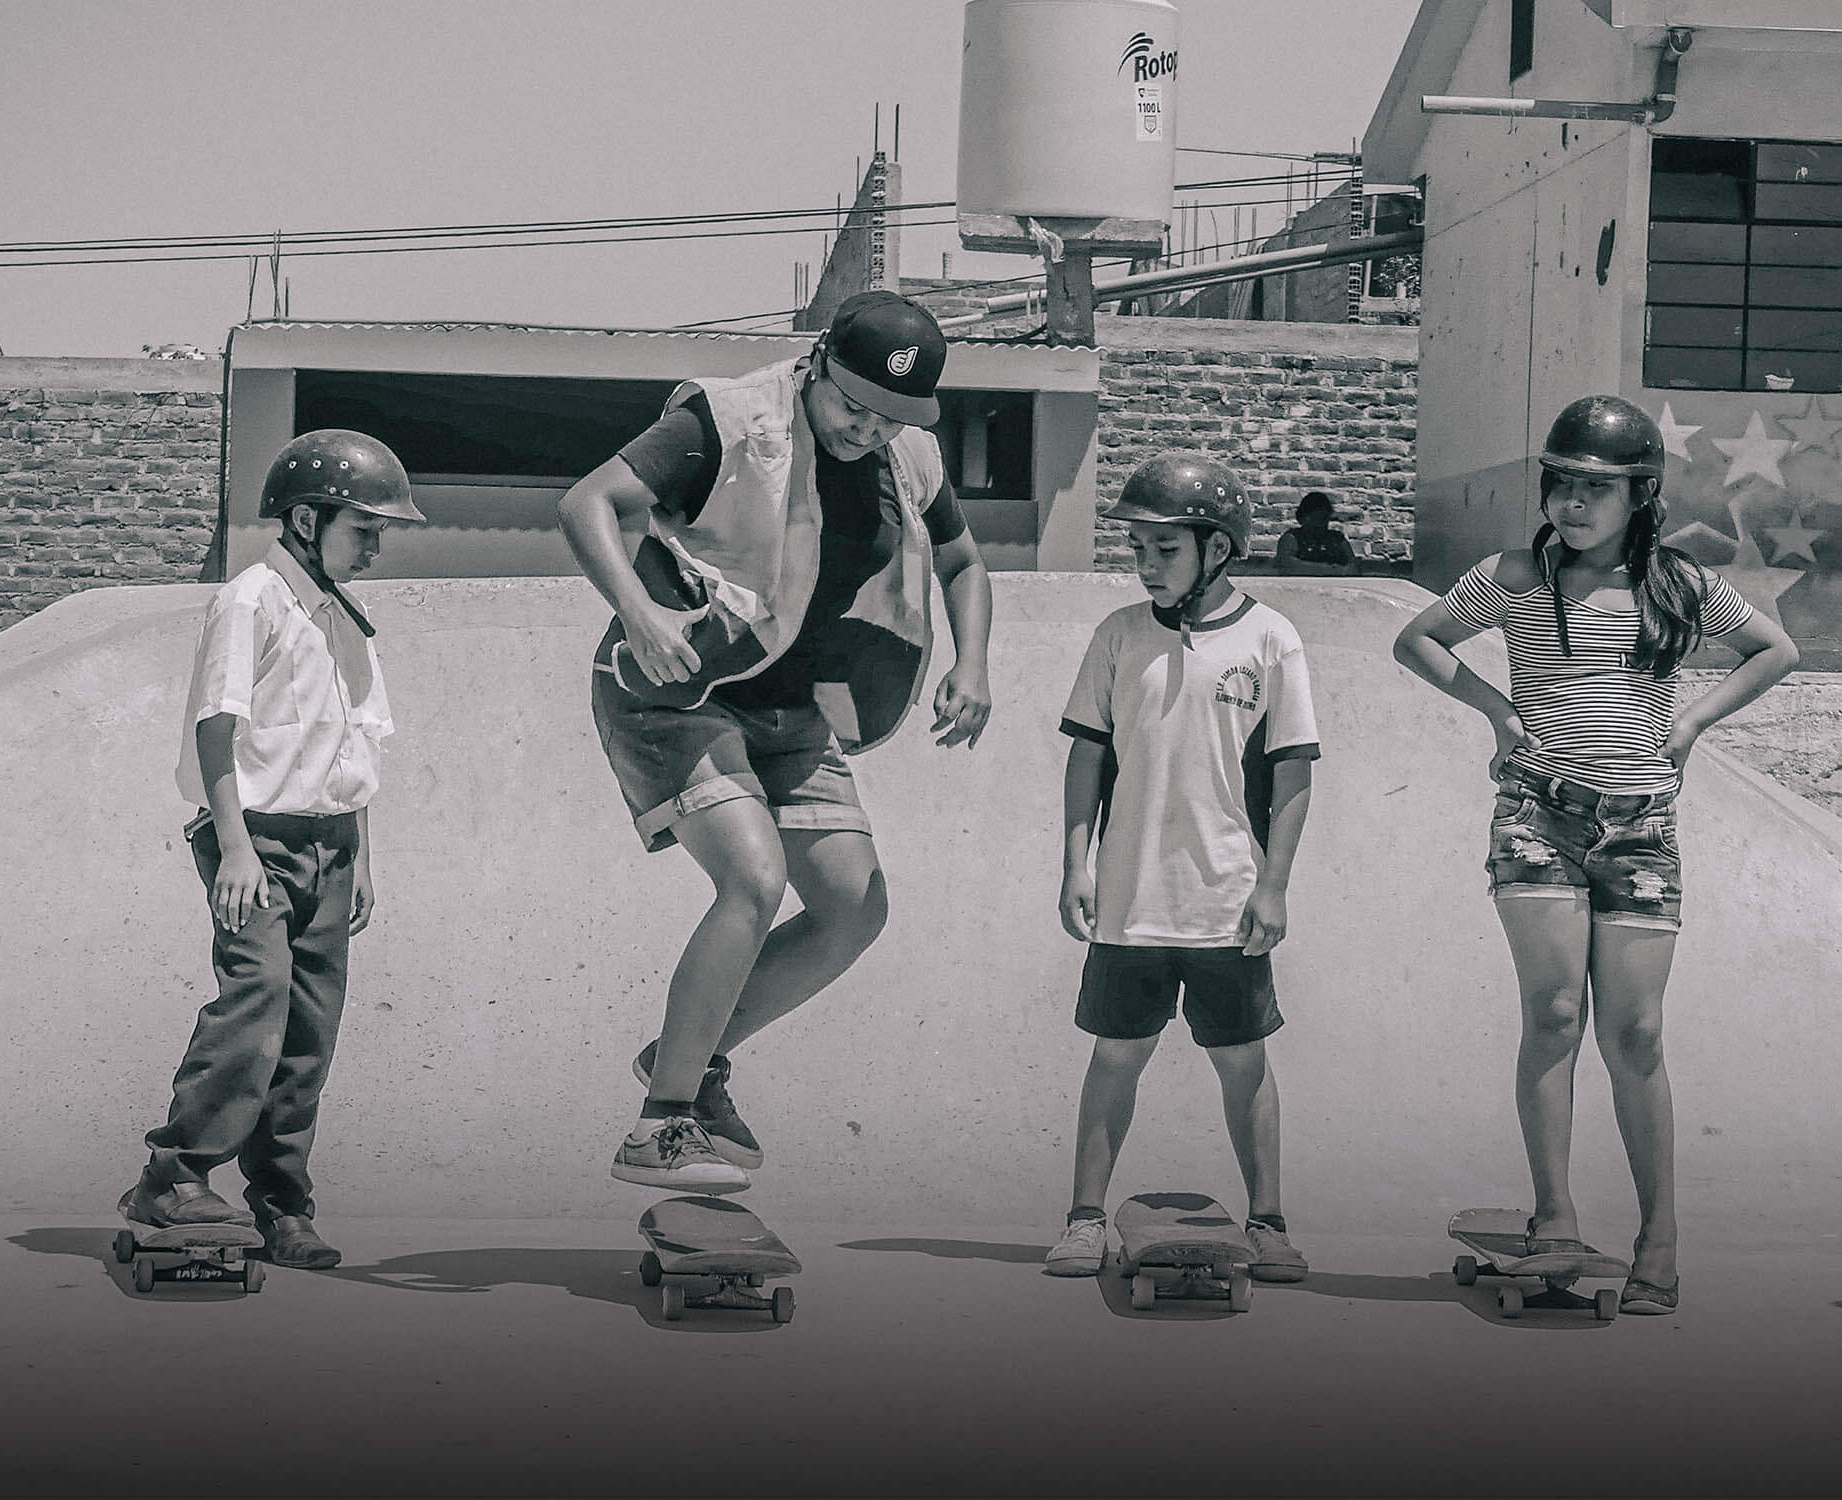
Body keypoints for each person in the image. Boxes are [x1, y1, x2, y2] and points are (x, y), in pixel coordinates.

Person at [559, 290, 995, 1195]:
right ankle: (661, 1126)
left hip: (794, 714)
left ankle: (692, 1060)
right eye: (852, 405)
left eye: (889, 418)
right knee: (752, 880)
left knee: (852, 906)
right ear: (819, 361)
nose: (867, 429)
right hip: (675, 692)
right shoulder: (725, 421)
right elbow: (588, 502)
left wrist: (973, 663)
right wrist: (635, 615)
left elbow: (962, 559)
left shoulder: (909, 455)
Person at [1392, 395, 1799, 1314]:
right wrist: (1497, 710)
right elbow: (1416, 638)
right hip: (1538, 815)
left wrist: (1691, 724)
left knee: (1638, 1033)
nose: (1573, 505)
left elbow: (1774, 650)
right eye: (1562, 484)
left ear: (1640, 495)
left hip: (1641, 829)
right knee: (1552, 1015)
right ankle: (1556, 1218)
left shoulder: (1679, 584)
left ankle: (1659, 1236)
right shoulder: (1513, 575)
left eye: (1597, 488)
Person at [119, 429, 424, 1271]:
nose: (375, 547)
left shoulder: (344, 617)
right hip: (256, 843)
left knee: (309, 1033)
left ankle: (281, 1204)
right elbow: (216, 729)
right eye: (364, 529)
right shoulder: (250, 600)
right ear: (304, 518)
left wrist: (361, 856)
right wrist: (237, 849)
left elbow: (354, 746)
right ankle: (172, 1175)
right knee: (256, 1004)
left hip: (330, 848)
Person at [1043, 455, 1319, 1283]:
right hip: (1129, 897)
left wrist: (1274, 886)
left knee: (1244, 1066)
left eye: (1164, 547)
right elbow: (1085, 759)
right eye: (1138, 547)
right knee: (1115, 1057)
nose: (1146, 563)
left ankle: (1268, 1223)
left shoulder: (1270, 639)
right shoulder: (1119, 634)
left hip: (1227, 899)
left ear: (1217, 549)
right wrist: (1074, 865)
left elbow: (1297, 770)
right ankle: (1085, 1217)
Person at [1270, 491, 1358, 576]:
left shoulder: (1337, 539)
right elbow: (1287, 565)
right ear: (1303, 518)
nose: (1319, 524)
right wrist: (1329, 570)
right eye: (1315, 518)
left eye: (1323, 519)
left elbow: (1354, 568)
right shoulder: (1292, 539)